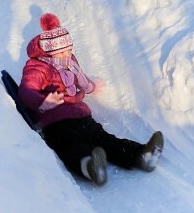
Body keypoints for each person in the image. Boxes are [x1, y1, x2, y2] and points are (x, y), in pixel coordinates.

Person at [18, 13, 163, 186]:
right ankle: (90, 166)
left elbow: (82, 79)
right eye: (62, 51)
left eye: (69, 49)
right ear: (50, 52)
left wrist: (93, 87)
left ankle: (140, 155)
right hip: (55, 120)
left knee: (104, 139)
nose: (68, 53)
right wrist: (43, 102)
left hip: (80, 114)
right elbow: (26, 90)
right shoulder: (37, 67)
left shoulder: (69, 61)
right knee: (71, 144)